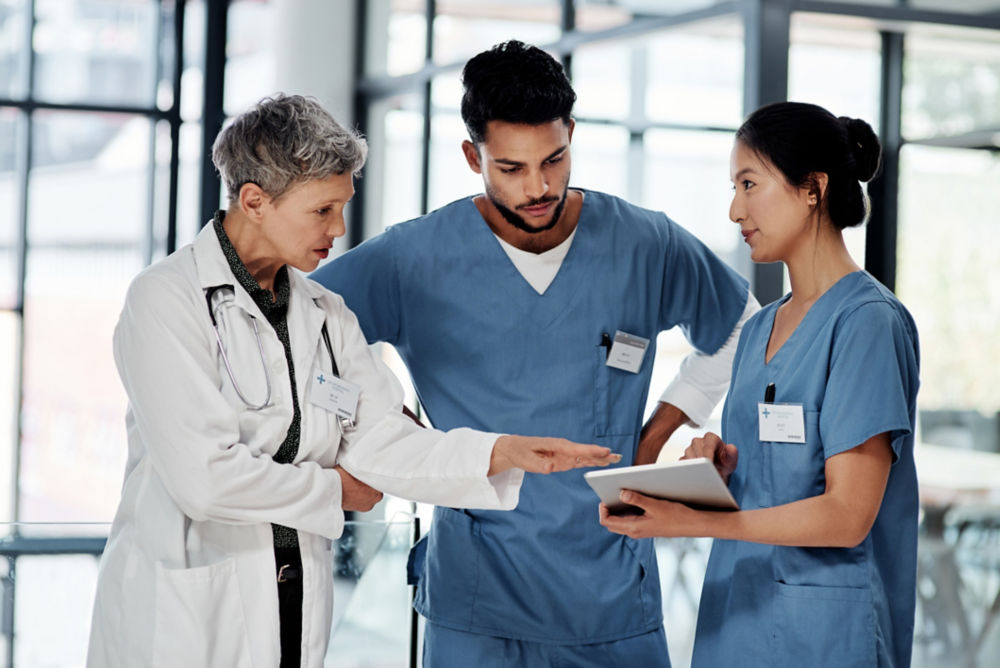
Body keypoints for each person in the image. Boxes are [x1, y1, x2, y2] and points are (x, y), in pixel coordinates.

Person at [85, 93, 620, 668]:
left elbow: (383, 441)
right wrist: (338, 489)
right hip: (187, 618)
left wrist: (501, 450)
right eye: (322, 211)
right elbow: (205, 478)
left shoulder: (326, 313)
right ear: (254, 200)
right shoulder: (166, 298)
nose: (339, 228)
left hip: (293, 600)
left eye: (342, 207)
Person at [311, 41, 758, 666]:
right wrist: (391, 435)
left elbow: (746, 330)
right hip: (477, 600)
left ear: (571, 133)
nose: (539, 187)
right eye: (511, 169)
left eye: (554, 159)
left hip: (610, 594)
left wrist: (656, 435)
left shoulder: (643, 243)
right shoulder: (411, 259)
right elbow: (300, 334)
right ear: (473, 156)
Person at [599, 101, 920, 667]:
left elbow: (848, 515)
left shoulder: (867, 323)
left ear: (812, 189)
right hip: (736, 618)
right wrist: (716, 473)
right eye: (733, 186)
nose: (733, 210)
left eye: (749, 184)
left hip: (824, 635)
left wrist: (696, 520)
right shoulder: (758, 331)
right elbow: (774, 473)